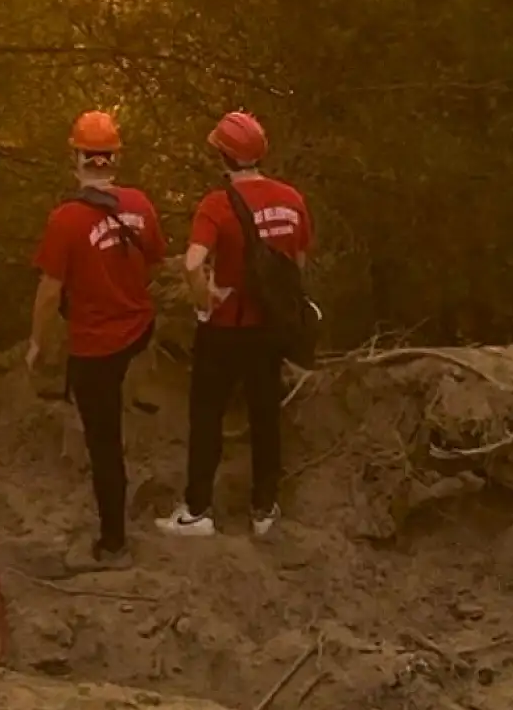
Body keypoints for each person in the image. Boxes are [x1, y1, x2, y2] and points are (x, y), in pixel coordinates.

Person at [156, 111, 312, 539]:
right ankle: (264, 510)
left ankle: (198, 510)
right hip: (270, 329)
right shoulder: (292, 200)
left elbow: (192, 264)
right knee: (266, 417)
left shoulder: (218, 204)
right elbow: (297, 266)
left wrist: (205, 299)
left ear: (223, 155)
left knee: (207, 415)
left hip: (225, 327)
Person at [24, 110, 166, 569]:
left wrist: (37, 345)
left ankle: (114, 543)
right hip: (138, 329)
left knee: (104, 445)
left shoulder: (66, 220)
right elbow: (155, 263)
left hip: (95, 345)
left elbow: (49, 293)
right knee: (111, 432)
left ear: (78, 157)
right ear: (114, 159)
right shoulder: (141, 206)